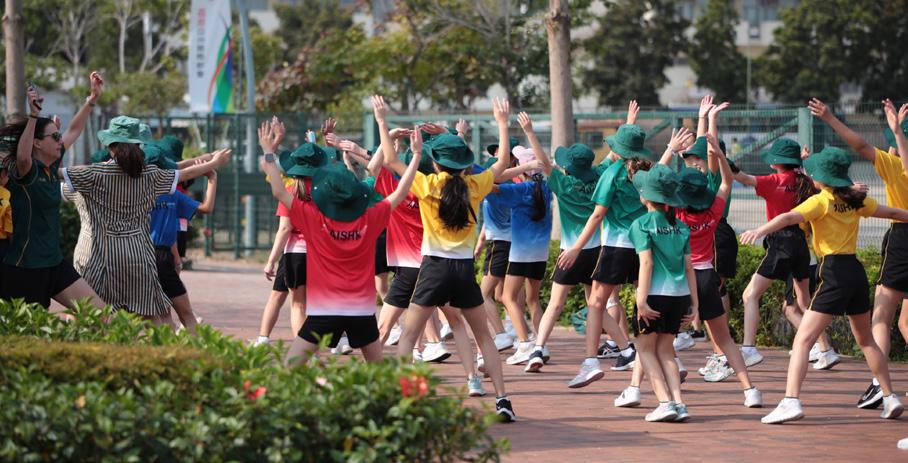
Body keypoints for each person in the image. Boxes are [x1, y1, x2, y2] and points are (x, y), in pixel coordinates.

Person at [741, 146, 905, 424]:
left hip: (833, 272)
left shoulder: (822, 201)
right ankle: (890, 397)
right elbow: (893, 212)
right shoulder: (856, 200)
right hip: (855, 272)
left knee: (804, 340)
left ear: (823, 178)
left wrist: (760, 230)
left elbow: (788, 217)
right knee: (866, 340)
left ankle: (791, 401)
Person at [389, 97, 517, 422]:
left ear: (436, 164)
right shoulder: (475, 184)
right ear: (465, 165)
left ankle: (400, 400)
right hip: (463, 271)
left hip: (433, 268)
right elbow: (502, 162)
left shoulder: (427, 184)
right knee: (484, 336)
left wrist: (386, 125)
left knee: (409, 335)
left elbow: (390, 160)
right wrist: (502, 122)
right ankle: (502, 400)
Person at [262, 110, 417, 365]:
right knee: (380, 375)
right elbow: (399, 190)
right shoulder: (369, 217)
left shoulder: (315, 219)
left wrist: (269, 151)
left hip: (324, 310)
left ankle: (322, 382)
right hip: (362, 310)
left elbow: (279, 191)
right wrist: (416, 156)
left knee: (291, 368)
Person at [62, 115, 229, 323]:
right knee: (152, 316)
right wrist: (214, 163)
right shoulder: (150, 175)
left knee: (85, 311)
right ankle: (164, 346)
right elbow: (183, 173)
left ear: (109, 145)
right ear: (140, 145)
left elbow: (54, 175)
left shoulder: (93, 175)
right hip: (138, 256)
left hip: (97, 257)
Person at [808, 98, 908, 409]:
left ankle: (880, 385)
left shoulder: (896, 169)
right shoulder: (895, 164)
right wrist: (897, 134)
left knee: (881, 317)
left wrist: (829, 117)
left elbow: (861, 145)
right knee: (906, 322)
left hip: (903, 237)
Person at [557, 101, 661, 388]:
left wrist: (576, 247)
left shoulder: (612, 173)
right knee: (646, 302)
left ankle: (590, 362)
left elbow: (597, 215)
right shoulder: (647, 171)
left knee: (596, 302)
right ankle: (669, 359)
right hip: (644, 245)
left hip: (617, 245)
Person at [669, 134, 764, 406]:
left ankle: (665, 395)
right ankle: (750, 391)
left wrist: (671, 151)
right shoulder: (714, 212)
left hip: (681, 279)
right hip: (708, 277)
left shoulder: (674, 213)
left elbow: (653, 187)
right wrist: (721, 156)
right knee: (725, 339)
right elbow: (726, 182)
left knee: (659, 338)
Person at [0, 73, 106, 309]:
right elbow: (22, 157)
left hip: (54, 262)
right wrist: (33, 116)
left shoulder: (51, 165)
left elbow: (74, 130)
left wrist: (92, 99)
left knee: (102, 315)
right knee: (32, 331)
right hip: (25, 268)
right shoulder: (27, 172)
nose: (61, 139)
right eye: (55, 136)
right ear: (37, 143)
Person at [520, 116, 602, 372]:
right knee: (596, 305)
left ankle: (538, 348)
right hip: (595, 252)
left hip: (570, 252)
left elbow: (544, 163)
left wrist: (530, 132)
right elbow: (612, 158)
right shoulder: (599, 180)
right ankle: (620, 348)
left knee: (555, 304)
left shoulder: (563, 184)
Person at [731, 137, 822, 368]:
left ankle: (749, 349)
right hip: (801, 243)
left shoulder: (773, 181)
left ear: (777, 162)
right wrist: (802, 162)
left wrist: (722, 158)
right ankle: (824, 348)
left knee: (750, 295)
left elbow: (741, 177)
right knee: (804, 302)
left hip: (781, 243)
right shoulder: (805, 181)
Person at [627, 164, 697, 422]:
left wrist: (641, 300)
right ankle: (679, 403)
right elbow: (689, 267)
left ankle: (665, 403)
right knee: (666, 351)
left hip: (654, 295)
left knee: (644, 349)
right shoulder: (681, 227)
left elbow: (646, 263)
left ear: (646, 196)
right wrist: (695, 305)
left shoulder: (641, 224)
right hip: (680, 296)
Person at [254, 119, 326, 346]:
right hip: (320, 252)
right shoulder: (326, 189)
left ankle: (301, 349)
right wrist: (315, 142)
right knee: (317, 302)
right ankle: (264, 338)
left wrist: (270, 261)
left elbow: (285, 228)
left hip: (295, 253)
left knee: (298, 305)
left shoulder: (289, 189)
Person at [146, 137, 218, 333]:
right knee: (184, 314)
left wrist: (176, 257)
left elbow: (170, 225)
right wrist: (212, 178)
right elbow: (206, 208)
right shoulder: (159, 193)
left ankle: (166, 347)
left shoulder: (165, 193)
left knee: (160, 313)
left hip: (151, 254)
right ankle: (196, 349)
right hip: (154, 256)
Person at [494, 139, 553, 366]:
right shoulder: (546, 188)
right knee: (533, 300)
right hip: (540, 254)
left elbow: (494, 179)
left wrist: (520, 169)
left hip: (520, 254)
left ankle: (525, 343)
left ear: (524, 168)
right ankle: (541, 346)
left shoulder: (520, 189)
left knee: (507, 297)